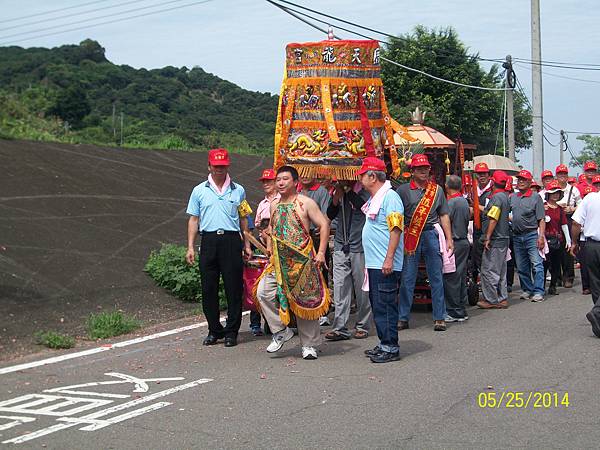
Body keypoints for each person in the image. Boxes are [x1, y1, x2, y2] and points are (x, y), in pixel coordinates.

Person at [256, 166, 330, 360]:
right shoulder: (274, 205)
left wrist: (321, 252)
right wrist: (269, 243)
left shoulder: (306, 203)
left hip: (302, 260)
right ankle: (280, 331)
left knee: (306, 301)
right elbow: (272, 228)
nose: (280, 183)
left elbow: (324, 225)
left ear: (295, 181)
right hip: (279, 262)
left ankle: (309, 345)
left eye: (284, 179)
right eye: (278, 179)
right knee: (263, 292)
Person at [186, 148, 252, 347]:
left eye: (223, 166)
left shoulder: (238, 190)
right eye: (216, 166)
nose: (219, 170)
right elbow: (193, 219)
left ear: (228, 166)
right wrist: (190, 246)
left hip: (231, 241)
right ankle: (214, 330)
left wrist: (247, 244)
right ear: (209, 166)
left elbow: (243, 219)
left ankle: (232, 331)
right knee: (209, 288)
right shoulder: (199, 190)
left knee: (233, 288)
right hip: (208, 241)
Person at [397, 154, 453, 332]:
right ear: (412, 171)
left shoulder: (437, 190)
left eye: (426, 168)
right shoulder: (403, 190)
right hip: (411, 235)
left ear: (430, 169)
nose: (423, 171)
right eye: (419, 168)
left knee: (436, 276)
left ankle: (439, 317)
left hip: (430, 234)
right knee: (407, 278)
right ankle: (403, 317)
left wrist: (449, 238)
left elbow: (444, 214)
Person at [358, 157, 405, 363]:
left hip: (385, 263)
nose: (360, 178)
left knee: (385, 305)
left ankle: (391, 347)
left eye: (362, 174)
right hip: (375, 263)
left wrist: (389, 258)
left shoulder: (390, 197)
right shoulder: (376, 197)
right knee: (378, 304)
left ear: (372, 176)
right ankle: (384, 342)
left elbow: (396, 228)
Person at [325, 181, 372, 341]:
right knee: (340, 286)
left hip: (359, 244)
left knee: (361, 288)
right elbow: (330, 214)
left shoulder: (366, 190)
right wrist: (336, 199)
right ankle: (339, 327)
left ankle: (363, 325)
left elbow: (363, 206)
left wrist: (347, 190)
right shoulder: (337, 191)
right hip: (340, 244)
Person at [248, 168, 280, 336]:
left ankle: (277, 322)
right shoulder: (262, 204)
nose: (266, 184)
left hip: (278, 250)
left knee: (277, 289)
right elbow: (257, 224)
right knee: (257, 285)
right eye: (264, 182)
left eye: (269, 181)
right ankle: (255, 323)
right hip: (262, 248)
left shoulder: (282, 200)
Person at [298, 176, 332, 325]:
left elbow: (325, 216)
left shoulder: (321, 191)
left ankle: (323, 311)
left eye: (308, 172)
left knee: (320, 273)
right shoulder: (295, 191)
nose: (305, 176)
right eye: (302, 172)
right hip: (298, 238)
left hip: (315, 236)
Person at [510, 170, 546, 302]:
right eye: (519, 179)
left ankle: (538, 291)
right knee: (521, 266)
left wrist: (541, 236)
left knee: (537, 264)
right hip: (517, 235)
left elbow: (541, 219)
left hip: (531, 234)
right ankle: (527, 289)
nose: (521, 182)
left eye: (524, 180)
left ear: (530, 182)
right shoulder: (513, 197)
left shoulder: (536, 197)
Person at [477, 170, 511, 309]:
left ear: (493, 181)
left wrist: (487, 237)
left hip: (496, 239)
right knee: (501, 270)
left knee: (489, 270)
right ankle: (502, 298)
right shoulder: (505, 196)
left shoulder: (496, 198)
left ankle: (491, 299)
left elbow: (493, 218)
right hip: (503, 238)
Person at [570, 188, 600, 338]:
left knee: (595, 283)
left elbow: (576, 223)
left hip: (591, 245)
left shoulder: (589, 198)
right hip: (592, 244)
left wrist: (574, 242)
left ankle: (598, 321)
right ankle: (597, 313)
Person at [443, 175, 471, 321]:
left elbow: (445, 221)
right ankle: (460, 308)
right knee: (459, 277)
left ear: (447, 187)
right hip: (463, 240)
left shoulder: (452, 202)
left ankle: (454, 310)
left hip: (455, 241)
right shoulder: (464, 201)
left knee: (452, 277)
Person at [543, 180, 572, 295]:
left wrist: (568, 240)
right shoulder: (543, 207)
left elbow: (564, 224)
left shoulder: (560, 209)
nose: (555, 194)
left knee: (556, 264)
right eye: (553, 192)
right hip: (545, 239)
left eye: (557, 192)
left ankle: (553, 286)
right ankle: (541, 286)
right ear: (548, 194)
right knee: (544, 264)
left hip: (558, 240)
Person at [555, 164, 581, 288]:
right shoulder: (553, 188)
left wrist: (572, 208)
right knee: (555, 248)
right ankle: (557, 277)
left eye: (564, 174)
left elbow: (581, 205)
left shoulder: (573, 189)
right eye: (560, 174)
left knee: (568, 248)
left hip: (569, 218)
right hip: (555, 220)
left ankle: (568, 277)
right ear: (556, 176)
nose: (562, 176)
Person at [472, 162, 492, 283]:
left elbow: (489, 210)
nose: (482, 176)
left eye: (484, 173)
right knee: (476, 257)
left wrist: (475, 206)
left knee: (488, 258)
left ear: (488, 174)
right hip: (475, 228)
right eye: (479, 174)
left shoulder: (493, 190)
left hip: (488, 228)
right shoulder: (472, 189)